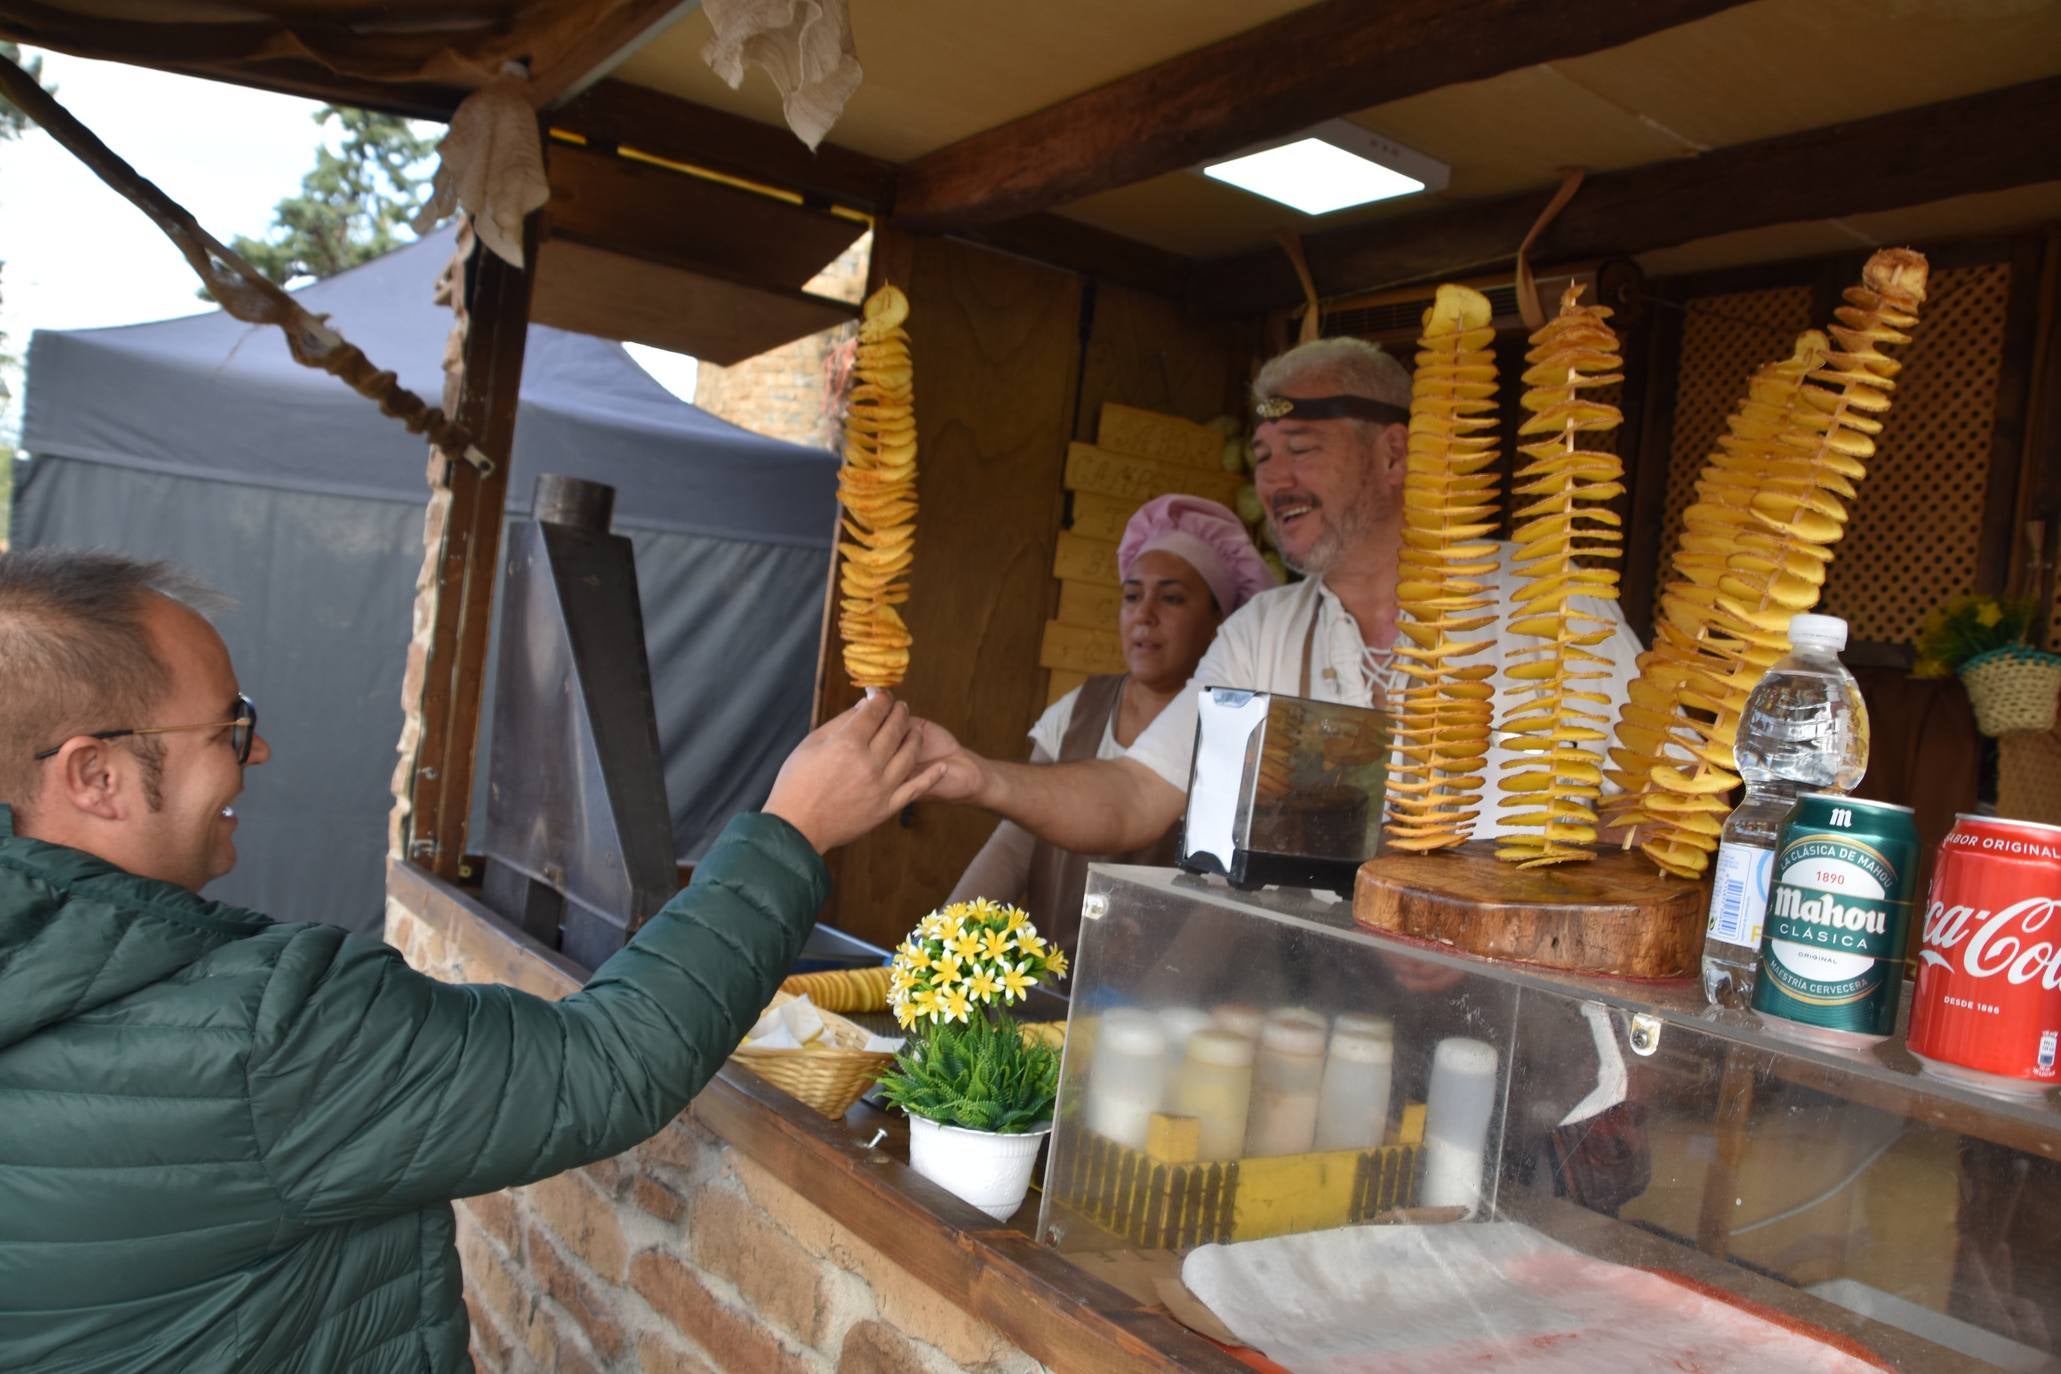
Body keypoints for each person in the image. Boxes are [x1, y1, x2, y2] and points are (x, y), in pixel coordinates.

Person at [0, 548, 943, 1374]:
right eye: (229, 730)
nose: (261, 750)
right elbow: (599, 1065)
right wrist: (793, 831)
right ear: (96, 775)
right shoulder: (260, 1033)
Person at [916, 336, 1644, 855]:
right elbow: (1137, 795)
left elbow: (1649, 809)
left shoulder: (1552, 605)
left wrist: (1504, 910)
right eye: (1262, 457)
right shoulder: (1261, 633)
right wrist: (979, 777)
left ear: (1394, 453)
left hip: (1519, 1016)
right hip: (1317, 1012)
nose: (1272, 481)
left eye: (1300, 447)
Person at [946, 494, 1274, 949]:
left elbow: (1225, 901)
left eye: (1173, 598)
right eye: (1132, 596)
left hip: (1167, 1004)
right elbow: (1013, 847)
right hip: (1055, 990)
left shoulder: (1234, 731)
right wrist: (936, 952)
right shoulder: (1080, 709)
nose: (1145, 614)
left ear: (1222, 619)